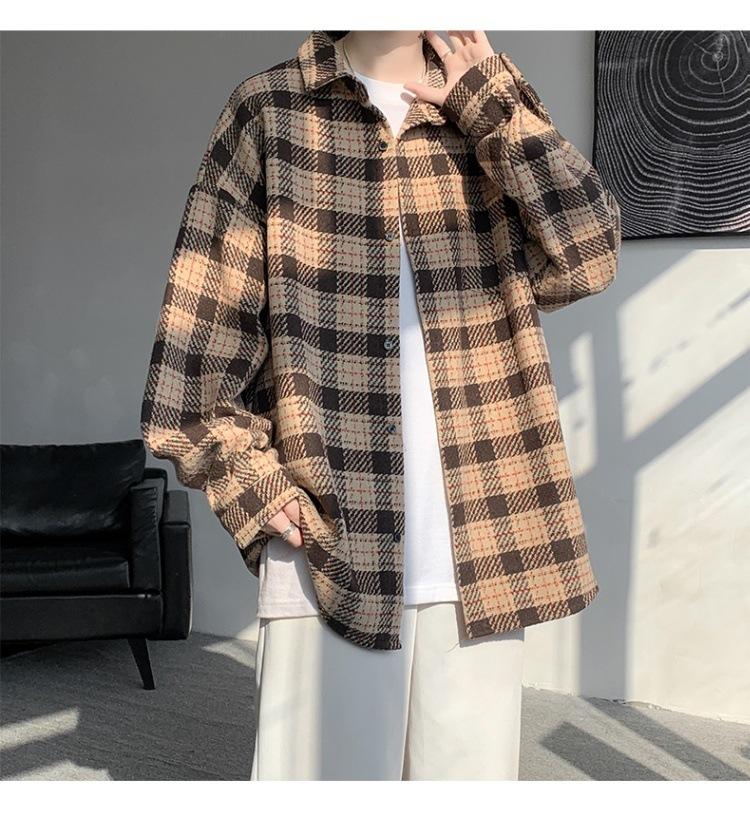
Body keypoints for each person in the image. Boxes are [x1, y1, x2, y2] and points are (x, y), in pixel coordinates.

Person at [140, 30, 622, 781]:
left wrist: (488, 104)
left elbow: (588, 257)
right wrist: (251, 485)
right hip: (324, 532)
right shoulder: (270, 110)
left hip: (483, 536)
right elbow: (196, 346)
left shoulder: (485, 100)